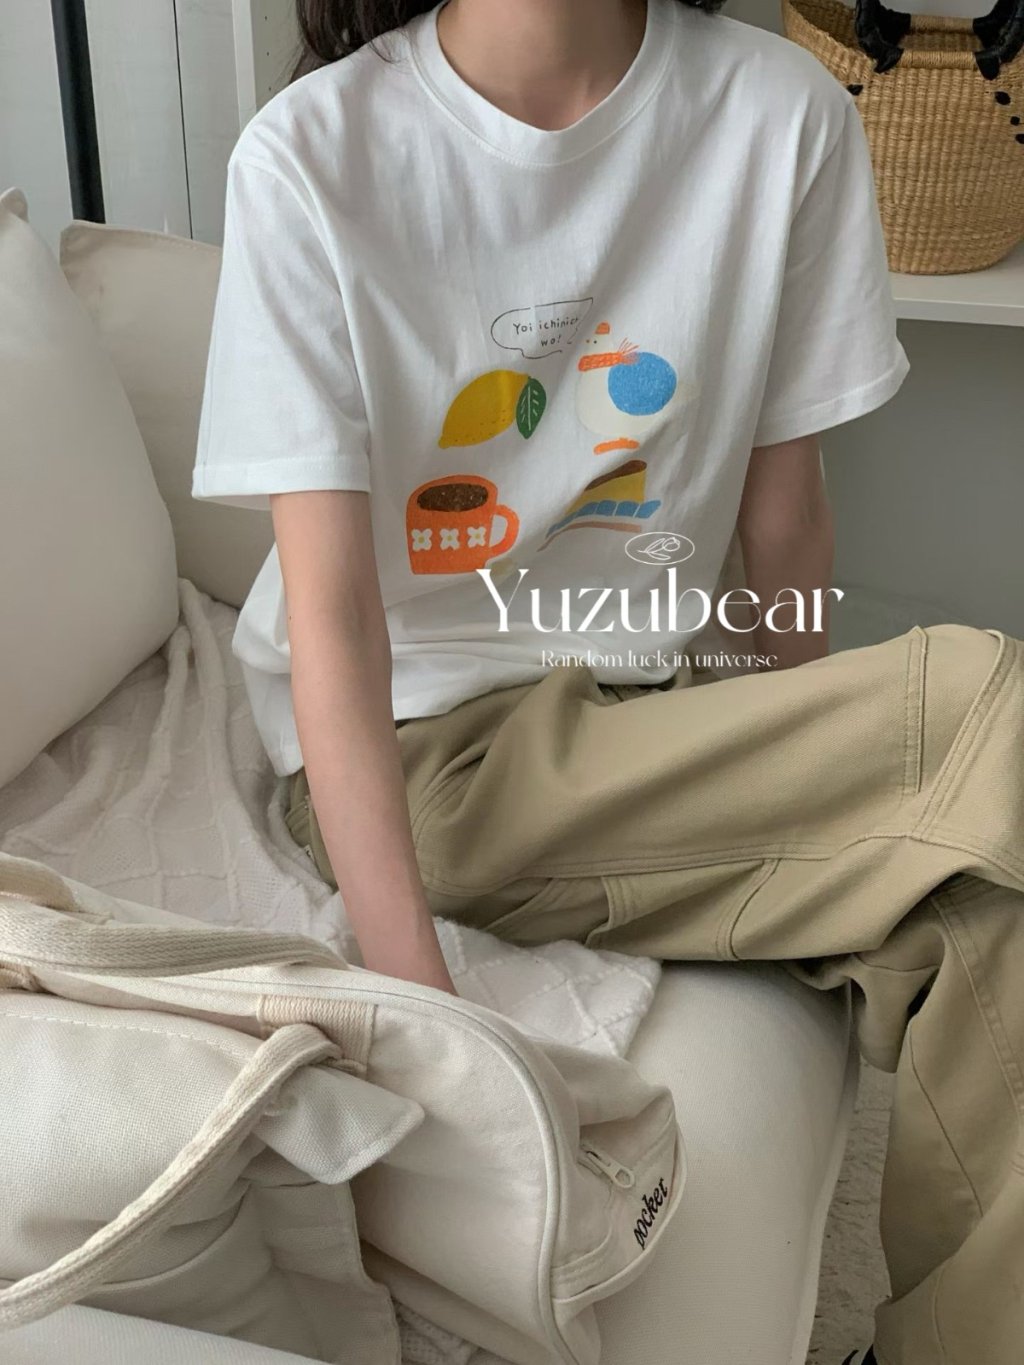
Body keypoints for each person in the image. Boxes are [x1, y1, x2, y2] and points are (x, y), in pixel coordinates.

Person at [191, 3, 1023, 1363]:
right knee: (991, 707)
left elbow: (784, 520)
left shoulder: (778, 114)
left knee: (991, 903)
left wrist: (802, 764)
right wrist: (423, 1006)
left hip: (655, 713)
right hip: (432, 756)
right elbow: (333, 620)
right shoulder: (312, 156)